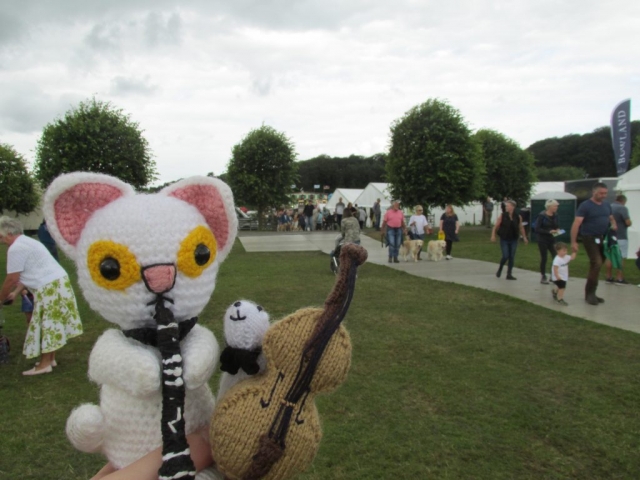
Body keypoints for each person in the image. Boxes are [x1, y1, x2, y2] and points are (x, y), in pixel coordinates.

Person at [0, 216, 83, 375]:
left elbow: (12, 278)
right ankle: (50, 359)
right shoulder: (28, 242)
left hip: (50, 287)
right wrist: (15, 293)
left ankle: (44, 365)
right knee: (52, 322)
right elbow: (31, 271)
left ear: (9, 232)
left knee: (48, 324)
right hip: (57, 283)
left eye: (2, 236)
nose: (2, 240)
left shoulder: (16, 248)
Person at [570, 182, 617, 305]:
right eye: (601, 193)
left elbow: (610, 217)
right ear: (594, 192)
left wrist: (614, 224)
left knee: (597, 265)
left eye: (605, 193)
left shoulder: (606, 205)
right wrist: (573, 241)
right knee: (596, 262)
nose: (603, 195)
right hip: (589, 237)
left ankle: (592, 292)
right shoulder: (585, 206)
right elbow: (576, 224)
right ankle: (589, 294)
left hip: (603, 238)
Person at [491, 200, 528, 279]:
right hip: (504, 238)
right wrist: (493, 235)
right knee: (505, 255)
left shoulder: (518, 217)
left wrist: (524, 237)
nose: (506, 207)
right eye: (506, 206)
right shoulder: (503, 216)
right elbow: (496, 226)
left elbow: (521, 227)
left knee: (511, 256)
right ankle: (500, 269)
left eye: (508, 206)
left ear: (513, 207)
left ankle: (509, 274)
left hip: (513, 239)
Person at [605, 194, 632, 285]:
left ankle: (608, 276)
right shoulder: (622, 208)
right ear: (623, 201)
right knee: (621, 256)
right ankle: (619, 278)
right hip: (621, 236)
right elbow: (627, 222)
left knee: (609, 256)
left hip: (609, 236)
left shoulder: (609, 207)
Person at [535, 199, 561, 284]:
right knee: (544, 257)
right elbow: (537, 228)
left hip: (552, 239)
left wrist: (557, 230)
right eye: (555, 206)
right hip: (542, 239)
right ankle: (543, 276)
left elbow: (556, 225)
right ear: (549, 207)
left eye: (557, 206)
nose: (556, 207)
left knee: (555, 256)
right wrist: (549, 231)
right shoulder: (541, 215)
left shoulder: (556, 215)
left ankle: (553, 275)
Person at [551, 242, 577, 306]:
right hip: (558, 277)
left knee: (559, 287)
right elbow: (555, 269)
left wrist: (574, 252)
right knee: (562, 287)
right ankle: (560, 299)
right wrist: (557, 276)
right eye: (563, 251)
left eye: (566, 250)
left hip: (564, 276)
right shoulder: (557, 260)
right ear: (558, 251)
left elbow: (572, 258)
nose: (565, 252)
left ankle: (554, 291)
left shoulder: (566, 257)